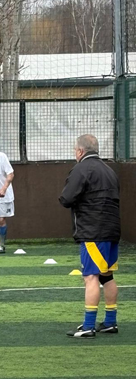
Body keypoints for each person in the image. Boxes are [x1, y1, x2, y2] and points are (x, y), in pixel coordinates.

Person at [59, 134, 121, 338]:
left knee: (91, 276)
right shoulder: (109, 170)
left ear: (80, 151)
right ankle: (110, 321)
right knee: (107, 276)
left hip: (93, 231)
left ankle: (88, 326)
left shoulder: (81, 168)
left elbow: (67, 198)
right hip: (112, 230)